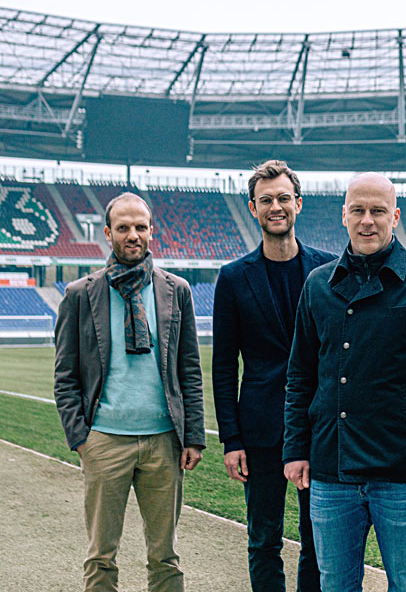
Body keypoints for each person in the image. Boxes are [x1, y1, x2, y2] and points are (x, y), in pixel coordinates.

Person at [283, 172, 406, 592]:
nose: (367, 220)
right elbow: (300, 376)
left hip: (403, 471)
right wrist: (295, 449)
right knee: (335, 584)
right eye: (358, 210)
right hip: (331, 469)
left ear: (395, 217)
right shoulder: (318, 285)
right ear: (343, 216)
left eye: (378, 211)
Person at [53, 192, 205, 592]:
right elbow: (65, 375)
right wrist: (82, 440)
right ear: (108, 233)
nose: (132, 235)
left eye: (140, 227)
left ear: (152, 230)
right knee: (101, 556)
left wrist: (193, 437)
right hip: (104, 441)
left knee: (165, 556)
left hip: (163, 442)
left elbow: (189, 369)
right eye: (123, 227)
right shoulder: (80, 294)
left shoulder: (177, 290)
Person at [211, 160, 336, 591]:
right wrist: (231, 440)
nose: (276, 207)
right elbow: (224, 366)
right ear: (253, 208)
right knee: (263, 539)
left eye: (284, 198)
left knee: (317, 541)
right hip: (260, 430)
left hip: (318, 427)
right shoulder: (232, 278)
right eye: (266, 200)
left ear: (298, 203)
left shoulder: (328, 270)